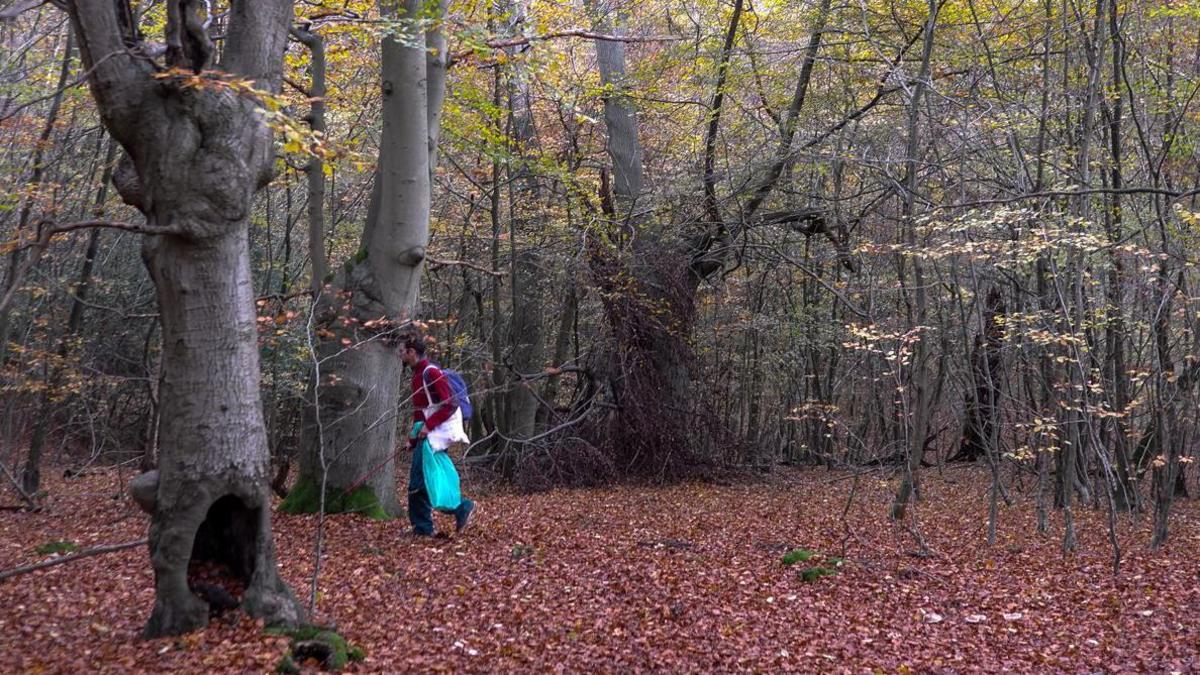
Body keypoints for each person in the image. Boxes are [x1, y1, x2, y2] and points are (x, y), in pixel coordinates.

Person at [398, 335, 476, 536]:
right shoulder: (417, 376)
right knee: (426, 481)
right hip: (430, 434)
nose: (400, 355)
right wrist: (413, 439)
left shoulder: (430, 372)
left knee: (418, 482)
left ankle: (425, 527)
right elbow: (420, 413)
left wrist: (428, 427)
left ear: (411, 352)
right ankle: (457, 510)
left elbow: (451, 404)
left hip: (438, 433)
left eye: (402, 351)